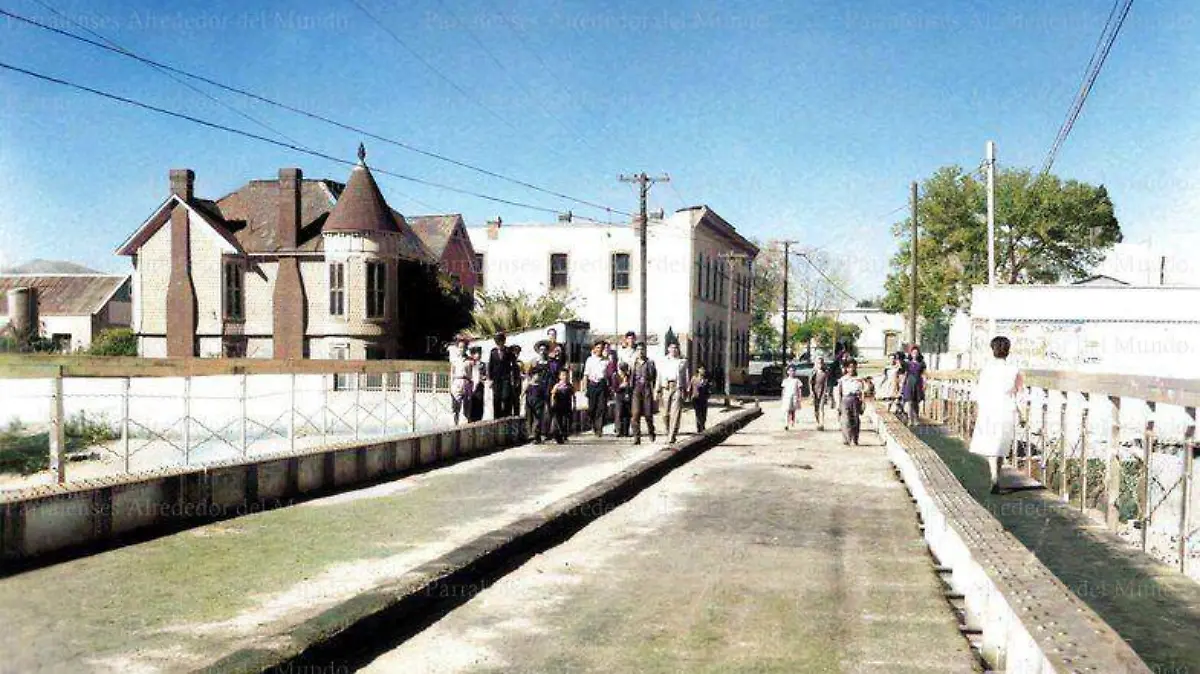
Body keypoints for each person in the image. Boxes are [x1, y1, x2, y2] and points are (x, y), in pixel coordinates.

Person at [970, 336, 1024, 494]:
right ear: (1008, 350)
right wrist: (1022, 413)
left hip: (988, 407)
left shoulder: (986, 368)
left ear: (992, 349)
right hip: (1006, 407)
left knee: (990, 442)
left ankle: (993, 475)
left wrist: (976, 408)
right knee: (1001, 444)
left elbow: (980, 390)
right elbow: (1019, 392)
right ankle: (996, 476)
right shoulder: (1014, 370)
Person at [659, 342, 689, 444]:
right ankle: (668, 431)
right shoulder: (663, 361)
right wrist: (657, 389)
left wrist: (686, 390)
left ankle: (672, 436)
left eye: (676, 348)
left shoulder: (682, 362)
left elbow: (686, 376)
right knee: (664, 413)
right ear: (668, 349)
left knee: (675, 413)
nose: (674, 350)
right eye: (672, 348)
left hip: (677, 387)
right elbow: (659, 375)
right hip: (666, 387)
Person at [629, 342, 658, 445]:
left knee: (648, 414)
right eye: (638, 350)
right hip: (636, 389)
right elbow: (630, 377)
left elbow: (654, 377)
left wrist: (654, 389)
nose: (640, 352)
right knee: (635, 413)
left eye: (642, 349)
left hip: (646, 388)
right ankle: (637, 436)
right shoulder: (633, 363)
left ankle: (651, 431)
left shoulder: (650, 362)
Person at [524, 341, 552, 443]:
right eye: (541, 350)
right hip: (533, 389)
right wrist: (531, 380)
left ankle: (539, 434)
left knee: (542, 413)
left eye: (544, 350)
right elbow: (527, 374)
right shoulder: (533, 361)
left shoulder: (549, 362)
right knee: (531, 413)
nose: (542, 352)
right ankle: (532, 434)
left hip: (544, 389)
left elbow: (551, 375)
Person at [583, 341, 610, 437]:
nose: (600, 350)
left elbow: (608, 375)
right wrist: (584, 388)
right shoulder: (590, 360)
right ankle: (593, 424)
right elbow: (586, 374)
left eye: (601, 348)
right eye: (598, 347)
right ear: (594, 349)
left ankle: (599, 428)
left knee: (601, 408)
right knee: (592, 408)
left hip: (602, 385)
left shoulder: (606, 361)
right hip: (592, 385)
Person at [837, 359, 865, 445]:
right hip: (845, 400)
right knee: (846, 420)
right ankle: (847, 439)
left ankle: (855, 438)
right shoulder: (843, 379)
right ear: (846, 368)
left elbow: (862, 392)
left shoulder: (859, 379)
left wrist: (863, 403)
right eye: (849, 367)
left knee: (855, 420)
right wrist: (838, 404)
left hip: (855, 400)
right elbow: (839, 392)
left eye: (853, 367)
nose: (851, 369)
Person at [488, 333, 515, 419]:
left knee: (506, 396)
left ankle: (506, 415)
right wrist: (490, 379)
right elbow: (490, 366)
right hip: (496, 379)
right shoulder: (493, 352)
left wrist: (513, 377)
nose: (500, 343)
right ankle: (497, 417)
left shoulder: (509, 351)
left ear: (504, 341)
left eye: (501, 341)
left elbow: (513, 365)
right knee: (496, 398)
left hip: (506, 378)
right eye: (498, 341)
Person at [449, 338, 473, 425]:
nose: (461, 349)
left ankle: (467, 428)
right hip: (456, 383)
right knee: (455, 407)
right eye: (460, 347)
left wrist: (471, 386)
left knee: (467, 408)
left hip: (466, 383)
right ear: (457, 348)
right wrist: (451, 386)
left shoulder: (470, 360)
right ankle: (455, 427)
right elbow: (452, 373)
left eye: (463, 347)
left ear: (466, 348)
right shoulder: (454, 360)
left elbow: (472, 374)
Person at [901, 345, 926, 426]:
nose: (915, 354)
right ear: (911, 354)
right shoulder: (907, 363)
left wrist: (924, 384)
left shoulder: (921, 363)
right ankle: (910, 419)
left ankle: (916, 418)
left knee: (916, 402)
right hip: (909, 382)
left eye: (916, 352)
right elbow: (905, 374)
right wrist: (903, 383)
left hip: (918, 383)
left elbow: (924, 374)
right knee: (910, 402)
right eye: (913, 352)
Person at [549, 369, 576, 444]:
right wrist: (552, 404)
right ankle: (559, 436)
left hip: (567, 406)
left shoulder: (569, 386)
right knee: (559, 421)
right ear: (559, 376)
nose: (565, 377)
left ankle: (564, 435)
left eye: (566, 375)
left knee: (565, 422)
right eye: (563, 375)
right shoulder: (557, 386)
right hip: (558, 407)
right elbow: (553, 395)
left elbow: (573, 396)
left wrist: (574, 405)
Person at [613, 361, 633, 437]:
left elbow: (631, 386)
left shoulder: (628, 376)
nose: (624, 371)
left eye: (625, 369)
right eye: (622, 369)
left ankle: (626, 431)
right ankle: (618, 430)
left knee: (627, 414)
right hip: (619, 396)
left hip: (627, 397)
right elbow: (615, 388)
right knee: (619, 413)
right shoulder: (615, 376)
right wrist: (621, 386)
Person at [689, 365, 711, 432]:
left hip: (704, 399)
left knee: (704, 414)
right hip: (696, 399)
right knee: (698, 414)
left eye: (704, 369)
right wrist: (690, 396)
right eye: (701, 369)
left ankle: (702, 425)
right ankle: (699, 428)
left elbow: (709, 389)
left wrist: (708, 395)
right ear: (698, 369)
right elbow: (690, 388)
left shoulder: (706, 379)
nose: (703, 371)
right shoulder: (694, 378)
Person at [809, 357, 829, 430]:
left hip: (823, 391)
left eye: (821, 363)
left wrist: (827, 392)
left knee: (821, 408)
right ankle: (818, 422)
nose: (820, 364)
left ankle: (821, 424)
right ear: (816, 364)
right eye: (818, 363)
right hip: (815, 392)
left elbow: (826, 383)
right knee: (816, 409)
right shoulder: (813, 372)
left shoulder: (825, 372)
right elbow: (810, 383)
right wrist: (811, 392)